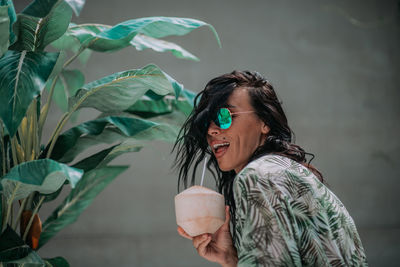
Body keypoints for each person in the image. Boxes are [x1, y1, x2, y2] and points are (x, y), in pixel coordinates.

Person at [173, 70, 368, 266]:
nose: (211, 130)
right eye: (206, 121)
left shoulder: (258, 176)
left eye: (224, 116)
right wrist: (231, 260)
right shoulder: (284, 171)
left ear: (264, 122)